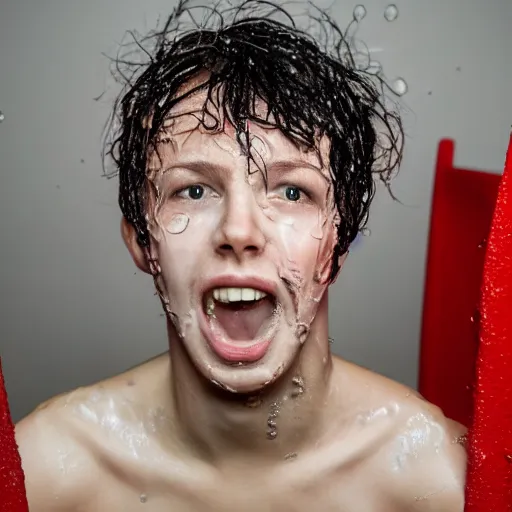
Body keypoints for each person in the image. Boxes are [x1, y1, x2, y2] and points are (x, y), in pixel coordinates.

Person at [14, 1, 466, 510]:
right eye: (193, 190)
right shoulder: (45, 473)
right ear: (143, 240)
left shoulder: (439, 478)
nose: (239, 229)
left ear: (336, 245)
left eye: (292, 192)